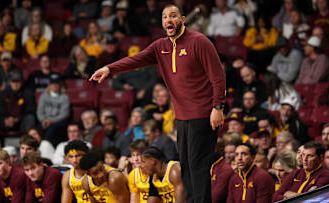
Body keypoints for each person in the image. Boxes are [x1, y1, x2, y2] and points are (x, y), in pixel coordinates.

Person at [90, 4, 226, 203]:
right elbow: (135, 60)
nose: (168, 20)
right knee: (186, 166)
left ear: (183, 20)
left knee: (198, 166)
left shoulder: (199, 41)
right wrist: (109, 69)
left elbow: (218, 76)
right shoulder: (160, 46)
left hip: (203, 114)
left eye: (173, 16)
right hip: (181, 117)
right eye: (164, 17)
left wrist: (218, 107)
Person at [37, 72, 70, 147]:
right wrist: (43, 120)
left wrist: (52, 121)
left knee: (52, 128)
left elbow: (64, 114)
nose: (54, 85)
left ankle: (45, 146)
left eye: (56, 83)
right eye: (52, 83)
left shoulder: (64, 97)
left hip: (58, 122)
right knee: (37, 128)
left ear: (60, 85)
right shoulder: (43, 96)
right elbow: (39, 112)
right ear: (49, 85)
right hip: (44, 121)